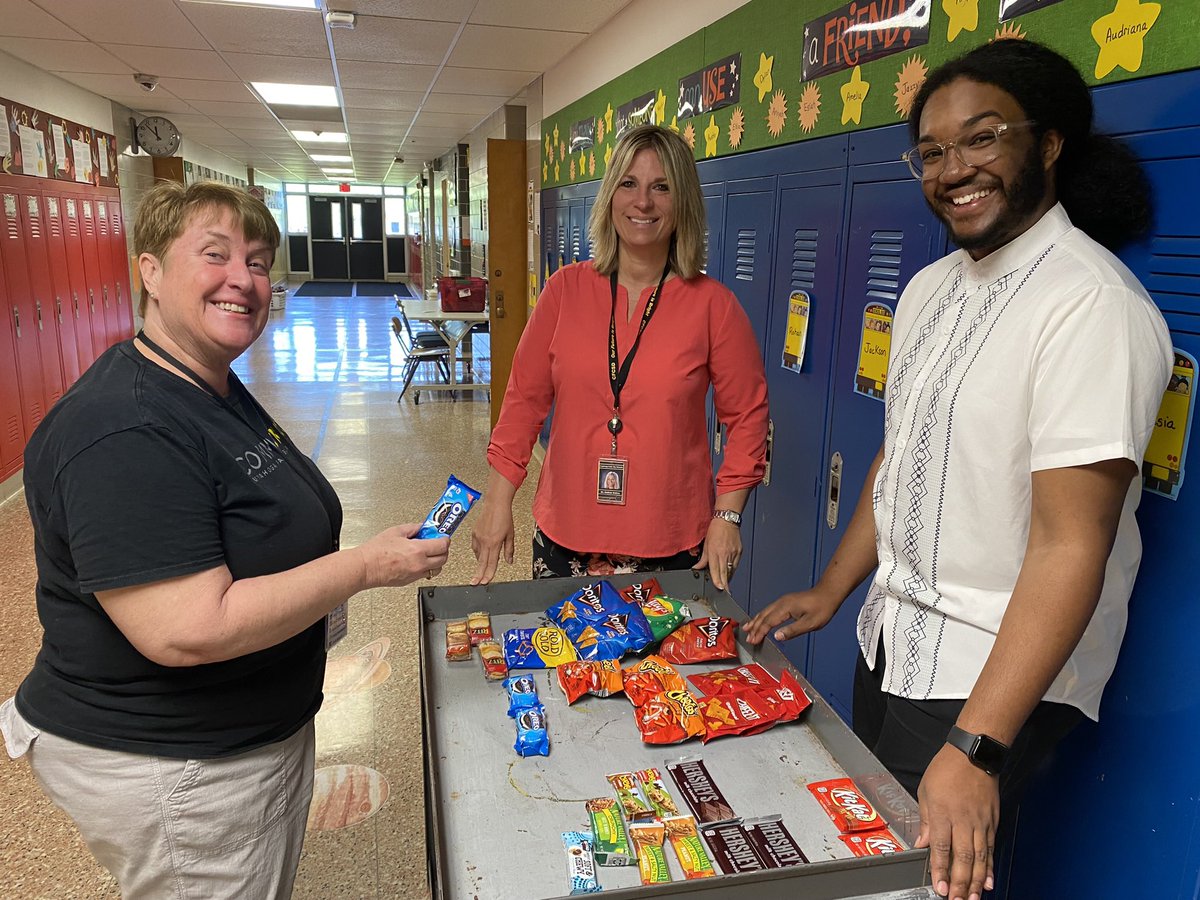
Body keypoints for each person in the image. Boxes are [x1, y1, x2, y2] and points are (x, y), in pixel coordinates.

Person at [745, 40, 1172, 900]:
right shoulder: (930, 291)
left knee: (907, 890)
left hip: (985, 679)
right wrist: (835, 589)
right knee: (872, 873)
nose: (954, 169)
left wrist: (977, 747)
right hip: (891, 645)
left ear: (1047, 144)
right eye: (933, 152)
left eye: (982, 139)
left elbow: (1069, 548)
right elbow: (901, 456)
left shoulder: (1093, 308)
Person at [0, 181, 451, 898]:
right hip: (177, 768)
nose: (244, 279)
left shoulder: (204, 384)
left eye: (260, 261)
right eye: (216, 255)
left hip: (236, 740)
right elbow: (188, 629)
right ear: (149, 269)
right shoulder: (124, 428)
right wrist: (363, 566)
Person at [472, 123, 768, 587]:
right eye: (628, 183)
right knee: (563, 660)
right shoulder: (564, 290)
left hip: (672, 544)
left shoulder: (714, 306)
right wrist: (497, 501)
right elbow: (523, 402)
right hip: (565, 536)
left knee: (659, 664)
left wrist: (727, 518)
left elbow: (748, 417)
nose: (643, 202)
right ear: (610, 195)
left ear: (682, 201)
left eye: (661, 187)